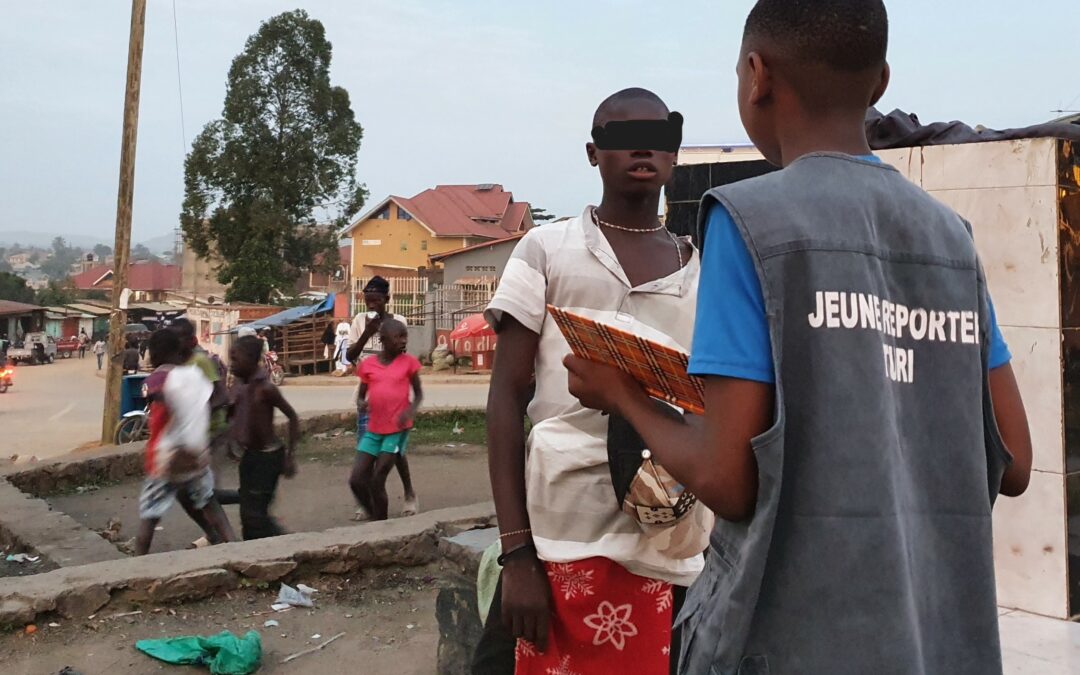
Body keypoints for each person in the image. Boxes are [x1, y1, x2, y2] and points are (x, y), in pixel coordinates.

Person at [562, 2, 1034, 673]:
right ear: (880, 82)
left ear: (757, 76)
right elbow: (1012, 459)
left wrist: (626, 397)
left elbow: (729, 479)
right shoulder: (948, 237)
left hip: (786, 636)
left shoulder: (748, 222)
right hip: (937, 639)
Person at [476, 88, 700, 674]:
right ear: (593, 152)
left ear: (675, 154)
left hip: (665, 535)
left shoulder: (699, 270)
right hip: (556, 536)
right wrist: (516, 551)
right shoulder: (546, 250)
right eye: (623, 135)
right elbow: (506, 397)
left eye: (659, 135)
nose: (643, 147)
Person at [135, 329, 235, 555]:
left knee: (150, 517)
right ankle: (236, 550)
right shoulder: (193, 376)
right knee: (210, 504)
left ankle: (135, 566)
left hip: (165, 459)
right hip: (195, 456)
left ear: (153, 355)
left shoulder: (156, 380)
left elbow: (158, 419)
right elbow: (207, 405)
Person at [346, 276, 420, 519]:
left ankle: (409, 493)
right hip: (369, 397)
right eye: (368, 301)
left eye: (376, 301)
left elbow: (403, 357)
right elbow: (350, 355)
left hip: (395, 398)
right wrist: (367, 333)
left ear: (387, 299)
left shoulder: (398, 322)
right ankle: (367, 499)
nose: (371, 306)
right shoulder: (359, 320)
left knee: (395, 452)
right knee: (366, 449)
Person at [228, 335, 300, 540]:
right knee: (248, 512)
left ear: (251, 360)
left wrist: (290, 456)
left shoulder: (265, 389)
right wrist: (231, 441)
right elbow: (233, 416)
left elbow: (292, 417)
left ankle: (285, 542)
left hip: (268, 458)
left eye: (236, 359)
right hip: (250, 456)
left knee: (256, 514)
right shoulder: (240, 386)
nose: (232, 365)